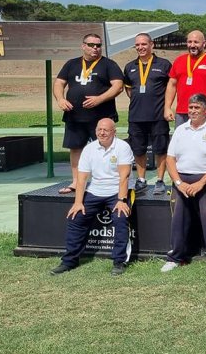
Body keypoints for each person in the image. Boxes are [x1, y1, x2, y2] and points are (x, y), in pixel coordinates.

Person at [50, 118, 134, 276]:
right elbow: (81, 179)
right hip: (94, 191)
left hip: (117, 192)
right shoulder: (89, 149)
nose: (102, 133)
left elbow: (124, 177)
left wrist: (122, 200)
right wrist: (78, 202)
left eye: (106, 130)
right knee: (75, 217)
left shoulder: (123, 147)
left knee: (121, 217)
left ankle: (119, 261)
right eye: (99, 130)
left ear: (114, 132)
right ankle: (69, 261)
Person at [161, 93, 206, 276]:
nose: (192, 111)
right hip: (181, 180)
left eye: (196, 108)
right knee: (178, 220)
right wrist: (178, 182)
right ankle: (175, 257)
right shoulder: (180, 130)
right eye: (190, 107)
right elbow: (170, 159)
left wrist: (201, 183)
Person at [53, 33, 124, 195]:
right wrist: (60, 99)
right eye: (91, 45)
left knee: (107, 149)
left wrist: (99, 99)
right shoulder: (71, 64)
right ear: (83, 46)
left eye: (98, 45)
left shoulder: (109, 64)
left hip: (101, 117)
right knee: (75, 148)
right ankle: (77, 182)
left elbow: (118, 86)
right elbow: (59, 82)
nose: (95, 48)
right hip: (75, 116)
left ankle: (110, 183)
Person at [123, 32, 172, 195]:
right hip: (136, 116)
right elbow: (129, 89)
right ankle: (141, 179)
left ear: (152, 45)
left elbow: (171, 88)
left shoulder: (164, 64)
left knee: (160, 149)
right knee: (138, 149)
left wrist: (165, 107)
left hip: (158, 116)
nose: (140, 47)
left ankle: (159, 180)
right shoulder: (130, 66)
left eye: (144, 44)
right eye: (137, 45)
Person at [165, 30, 206, 127]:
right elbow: (172, 84)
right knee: (182, 142)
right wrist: (167, 107)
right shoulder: (179, 61)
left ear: (204, 43)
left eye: (196, 42)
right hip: (182, 113)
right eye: (189, 42)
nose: (192, 45)